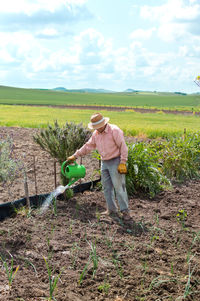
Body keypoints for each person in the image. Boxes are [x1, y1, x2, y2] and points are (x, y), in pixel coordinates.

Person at [67, 112, 131, 221]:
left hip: (116, 161)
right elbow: (88, 146)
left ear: (103, 123)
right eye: (95, 127)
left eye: (98, 126)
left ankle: (125, 211)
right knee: (106, 187)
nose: (96, 129)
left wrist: (123, 162)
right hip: (104, 162)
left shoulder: (114, 131)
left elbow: (123, 146)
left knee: (119, 187)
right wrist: (75, 155)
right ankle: (111, 210)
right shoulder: (96, 134)